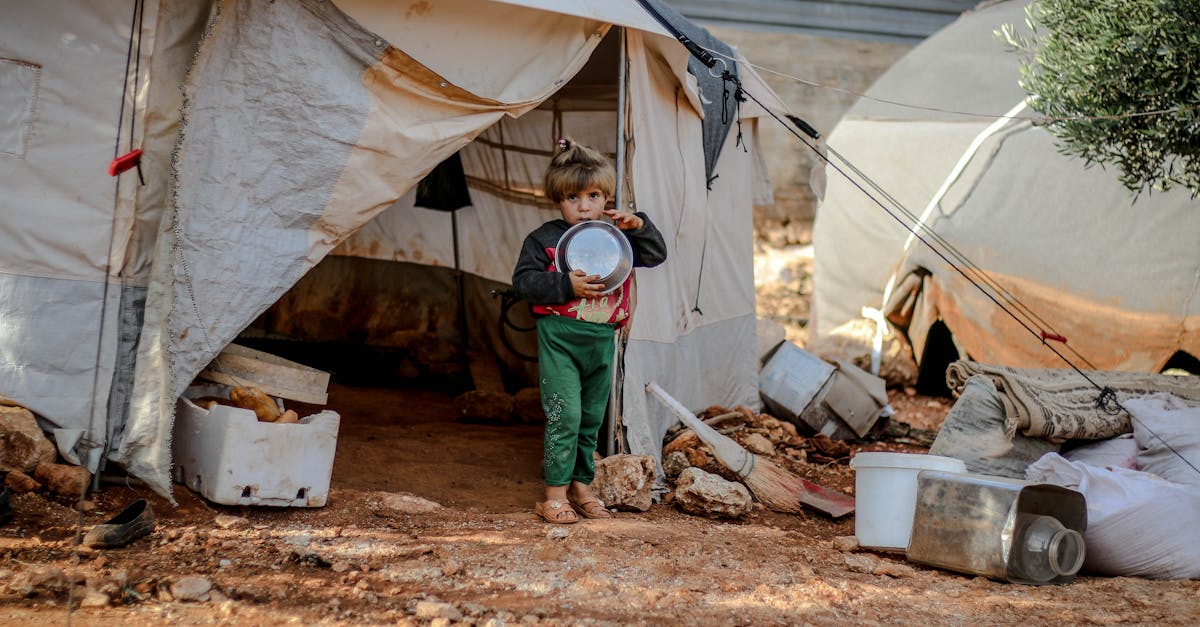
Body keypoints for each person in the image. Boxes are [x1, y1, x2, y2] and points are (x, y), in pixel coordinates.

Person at [512, 138, 667, 523]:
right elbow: (524, 283)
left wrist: (641, 225)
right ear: (556, 200)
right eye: (572, 198)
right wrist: (566, 285)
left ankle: (582, 487)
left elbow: (655, 255)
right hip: (560, 337)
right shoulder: (544, 240)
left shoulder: (617, 237)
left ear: (607, 197)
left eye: (594, 195)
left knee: (591, 419)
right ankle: (554, 494)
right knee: (565, 413)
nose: (584, 207)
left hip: (601, 339)